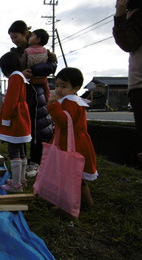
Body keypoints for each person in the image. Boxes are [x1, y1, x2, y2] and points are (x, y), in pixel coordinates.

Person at [8, 20, 56, 177]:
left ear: (26, 34)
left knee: (38, 127)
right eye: (11, 38)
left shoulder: (43, 50)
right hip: (23, 92)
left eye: (16, 37)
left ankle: (35, 162)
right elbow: (11, 71)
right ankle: (23, 158)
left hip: (38, 93)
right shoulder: (14, 53)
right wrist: (22, 72)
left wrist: (33, 70)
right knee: (22, 126)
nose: (14, 41)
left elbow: (52, 65)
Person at [47, 67, 98, 207]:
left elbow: (64, 121)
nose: (58, 90)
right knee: (76, 176)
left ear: (76, 88)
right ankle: (86, 202)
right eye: (57, 85)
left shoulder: (70, 102)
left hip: (72, 144)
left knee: (71, 175)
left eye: (63, 86)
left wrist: (53, 107)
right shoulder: (74, 100)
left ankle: (70, 204)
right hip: (76, 141)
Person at [113, 0, 142, 179]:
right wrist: (121, 13)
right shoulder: (138, 7)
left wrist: (121, 13)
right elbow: (128, 43)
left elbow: (128, 43)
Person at [0, 52, 32, 193]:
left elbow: (10, 100)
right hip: (22, 118)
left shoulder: (14, 77)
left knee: (14, 151)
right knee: (22, 150)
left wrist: (5, 119)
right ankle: (21, 179)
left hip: (15, 120)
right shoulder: (21, 77)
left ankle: (16, 185)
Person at [20, 28, 51, 101]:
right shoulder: (45, 51)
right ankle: (48, 102)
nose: (29, 38)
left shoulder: (27, 51)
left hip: (31, 79)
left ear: (38, 40)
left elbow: (22, 64)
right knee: (47, 91)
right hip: (43, 79)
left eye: (31, 36)